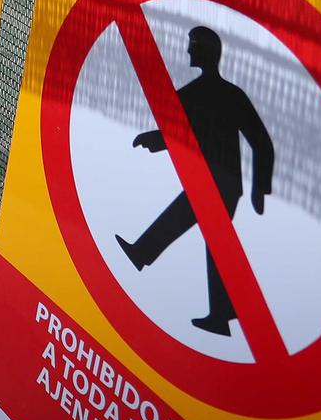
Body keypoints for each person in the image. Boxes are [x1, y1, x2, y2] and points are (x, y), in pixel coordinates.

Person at [115, 25, 274, 337]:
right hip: (211, 179)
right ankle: (222, 313)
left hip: (222, 183)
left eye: (193, 45)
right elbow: (177, 131)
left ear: (205, 51)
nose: (188, 51)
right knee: (215, 244)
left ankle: (143, 255)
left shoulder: (224, 94)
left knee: (204, 234)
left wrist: (260, 189)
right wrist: (153, 139)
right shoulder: (198, 93)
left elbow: (261, 142)